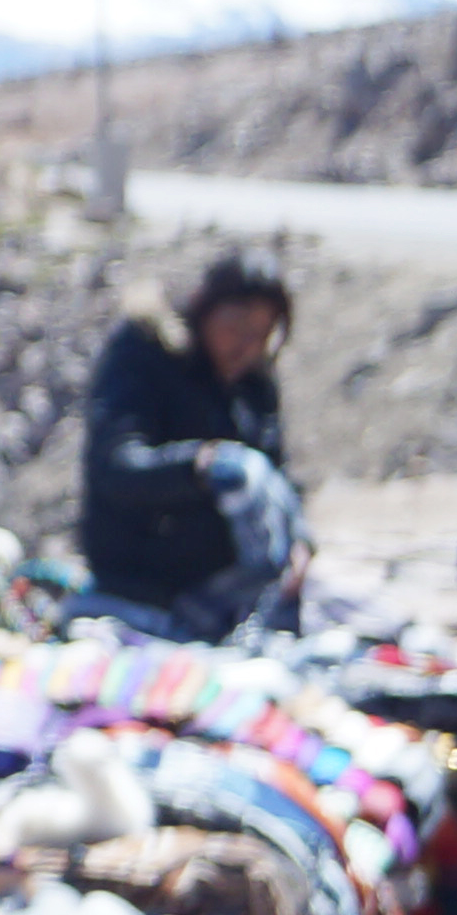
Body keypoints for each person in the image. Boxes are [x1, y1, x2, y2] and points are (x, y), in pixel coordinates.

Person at [78, 245, 306, 640]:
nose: (245, 346)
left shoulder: (252, 384)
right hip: (142, 580)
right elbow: (116, 466)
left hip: (227, 590)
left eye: (261, 335)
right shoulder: (146, 355)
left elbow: (277, 473)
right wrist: (199, 467)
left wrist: (299, 540)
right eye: (235, 328)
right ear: (204, 310)